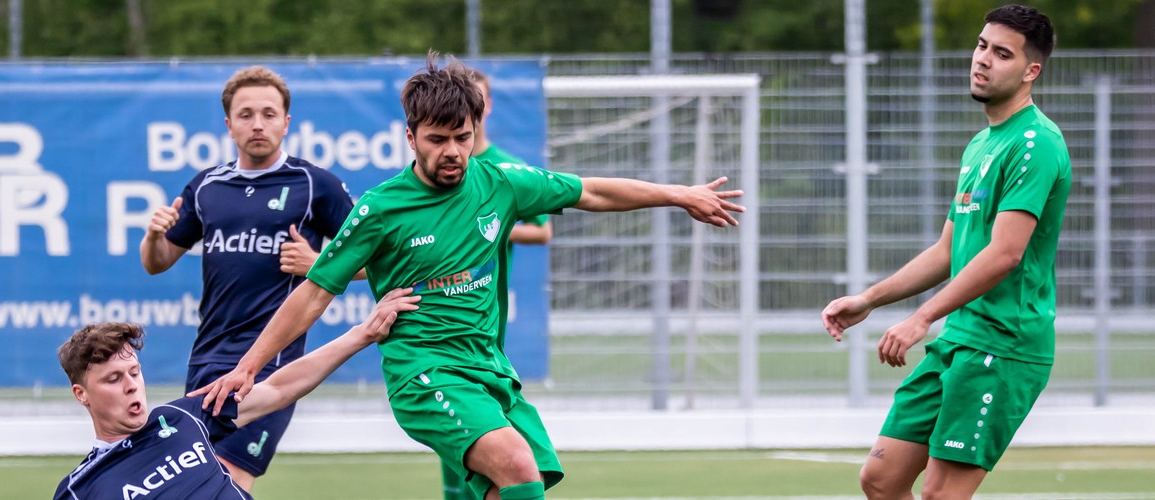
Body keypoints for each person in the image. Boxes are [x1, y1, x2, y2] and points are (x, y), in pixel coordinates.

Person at [193, 53, 744, 500]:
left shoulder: (501, 182)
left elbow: (591, 190)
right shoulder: (381, 208)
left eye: (462, 136)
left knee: (516, 488)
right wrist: (248, 367)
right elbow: (314, 293)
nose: (452, 151)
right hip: (423, 372)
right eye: (437, 140)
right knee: (517, 466)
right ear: (411, 137)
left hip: (489, 370)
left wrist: (678, 194)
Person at [821, 5, 1070, 499]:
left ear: (1030, 71)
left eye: (1002, 54)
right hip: (959, 339)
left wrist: (922, 318)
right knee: (881, 479)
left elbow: (1005, 255)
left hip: (1002, 347)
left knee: (941, 494)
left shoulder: (1035, 144)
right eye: (982, 46)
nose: (982, 60)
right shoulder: (982, 144)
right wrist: (870, 299)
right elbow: (947, 249)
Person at [138, 65, 356, 491]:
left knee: (229, 476)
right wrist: (152, 235)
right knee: (198, 480)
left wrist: (317, 262)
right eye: (246, 114)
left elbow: (376, 261)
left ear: (286, 122)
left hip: (270, 362)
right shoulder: (207, 187)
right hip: (207, 358)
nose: (258, 124)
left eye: (269, 114)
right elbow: (156, 261)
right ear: (228, 124)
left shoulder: (314, 185)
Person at [53, 288, 420, 499]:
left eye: (134, 371)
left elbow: (277, 388)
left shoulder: (183, 417)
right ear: (81, 394)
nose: (132, 384)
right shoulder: (81, 488)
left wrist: (362, 334)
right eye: (113, 379)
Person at [433, 66, 555, 500]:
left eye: (478, 102)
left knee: (510, 464)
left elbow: (542, 229)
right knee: (464, 464)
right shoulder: (436, 172)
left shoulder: (504, 169)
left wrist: (488, 225)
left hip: (486, 331)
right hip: (441, 340)